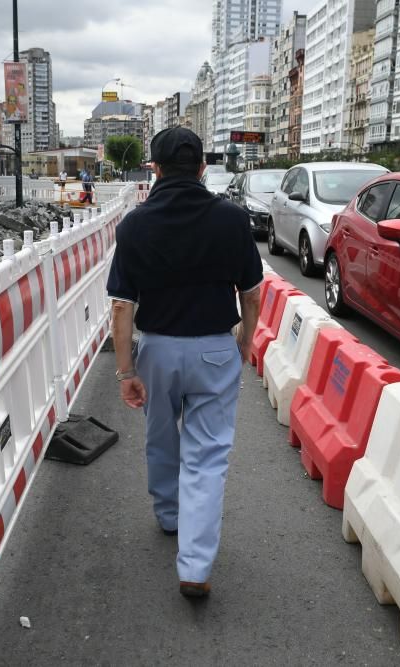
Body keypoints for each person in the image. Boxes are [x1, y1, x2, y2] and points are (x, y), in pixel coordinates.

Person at [106, 127, 263, 599]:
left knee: (160, 435)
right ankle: (194, 566)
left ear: (153, 168)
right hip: (215, 348)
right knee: (208, 455)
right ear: (201, 168)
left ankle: (169, 515)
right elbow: (252, 294)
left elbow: (121, 307)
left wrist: (125, 371)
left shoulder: (135, 225)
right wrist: (244, 345)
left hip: (156, 349)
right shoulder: (232, 220)